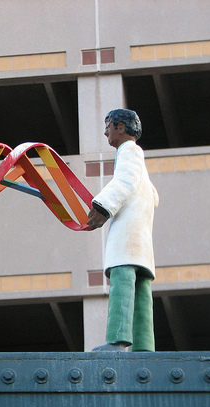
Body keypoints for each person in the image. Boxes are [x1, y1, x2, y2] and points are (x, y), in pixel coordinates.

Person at [86, 109, 159, 352]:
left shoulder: (128, 151)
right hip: (140, 239)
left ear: (120, 127)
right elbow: (152, 195)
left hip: (128, 235)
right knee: (141, 290)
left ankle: (117, 340)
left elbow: (125, 181)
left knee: (122, 281)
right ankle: (144, 347)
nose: (105, 131)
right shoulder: (139, 157)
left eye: (108, 125)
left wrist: (103, 207)